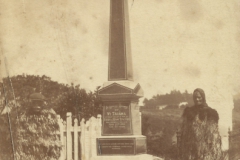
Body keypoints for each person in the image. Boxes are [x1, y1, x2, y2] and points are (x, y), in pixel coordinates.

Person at [179, 88, 222, 160]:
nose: (197, 99)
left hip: (206, 149)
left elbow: (214, 134)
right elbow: (185, 131)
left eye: (199, 97)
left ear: (203, 97)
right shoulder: (189, 112)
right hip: (192, 149)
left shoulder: (211, 113)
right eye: (195, 97)